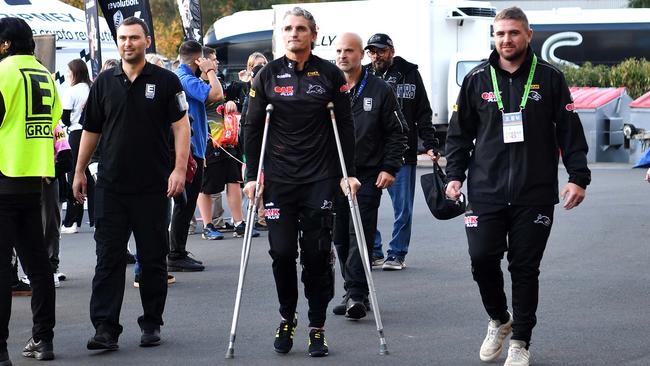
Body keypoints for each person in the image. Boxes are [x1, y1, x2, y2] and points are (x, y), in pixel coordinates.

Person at [445, 7, 591, 366]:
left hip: (535, 193)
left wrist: (577, 177)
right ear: (493, 38)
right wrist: (454, 174)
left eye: (513, 33)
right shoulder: (478, 78)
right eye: (499, 34)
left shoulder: (550, 78)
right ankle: (499, 319)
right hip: (485, 191)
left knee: (525, 268)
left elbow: (570, 132)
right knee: (481, 260)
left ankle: (521, 341)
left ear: (528, 35)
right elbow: (459, 134)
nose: (505, 40)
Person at [244, 7, 357, 357]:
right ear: (282, 34)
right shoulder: (266, 76)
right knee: (280, 253)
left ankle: (317, 325)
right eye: (288, 28)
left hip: (319, 180)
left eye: (301, 28)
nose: (294, 33)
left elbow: (346, 127)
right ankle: (286, 317)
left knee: (316, 254)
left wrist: (347, 173)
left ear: (313, 32)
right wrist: (251, 177)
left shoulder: (330, 75)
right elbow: (252, 128)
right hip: (279, 180)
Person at [72, 16, 190, 350]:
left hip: (153, 186)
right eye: (123, 38)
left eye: (134, 38)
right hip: (111, 186)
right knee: (108, 259)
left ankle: (151, 323)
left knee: (152, 259)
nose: (128, 43)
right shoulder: (104, 82)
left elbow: (182, 127)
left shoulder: (166, 81)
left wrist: (179, 170)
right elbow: (91, 130)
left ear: (147, 41)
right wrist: (80, 171)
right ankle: (105, 329)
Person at [332, 32, 406, 319]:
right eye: (338, 50)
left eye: (348, 50)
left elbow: (397, 132)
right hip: (334, 176)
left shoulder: (379, 89)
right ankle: (351, 289)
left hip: (367, 175)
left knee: (358, 233)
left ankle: (358, 295)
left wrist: (389, 167)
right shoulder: (328, 86)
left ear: (361, 54)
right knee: (339, 236)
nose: (342, 56)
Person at [0, 17, 60, 363]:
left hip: (3, 175)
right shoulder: (43, 74)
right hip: (32, 179)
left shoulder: (3, 72)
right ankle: (43, 339)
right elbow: (51, 121)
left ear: (6, 44)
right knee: (38, 267)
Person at [365, 33, 439, 271]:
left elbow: (423, 112)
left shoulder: (410, 73)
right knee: (367, 205)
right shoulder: (364, 75)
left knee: (403, 208)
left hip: (402, 153)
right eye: (372, 52)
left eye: (381, 51)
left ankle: (397, 253)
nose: (377, 56)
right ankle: (374, 250)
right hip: (370, 153)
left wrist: (430, 143)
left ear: (391, 51)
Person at [168, 40, 224, 271]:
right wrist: (209, 70)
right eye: (206, 60)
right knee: (185, 203)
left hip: (195, 147)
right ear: (197, 61)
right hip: (188, 150)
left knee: (186, 203)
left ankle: (176, 251)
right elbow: (217, 94)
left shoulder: (184, 77)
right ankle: (175, 254)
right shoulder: (185, 79)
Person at [60, 59, 94, 234]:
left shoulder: (71, 91)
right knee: (89, 175)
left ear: (75, 72)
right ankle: (94, 218)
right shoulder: (91, 87)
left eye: (68, 71)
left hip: (75, 134)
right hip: (92, 134)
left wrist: (71, 116)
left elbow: (64, 118)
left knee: (74, 176)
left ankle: (72, 220)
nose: (66, 74)